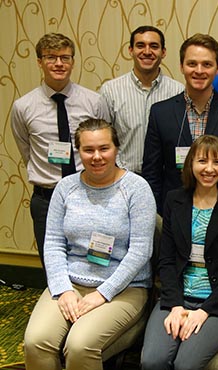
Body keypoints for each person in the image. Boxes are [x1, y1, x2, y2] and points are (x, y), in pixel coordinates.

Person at [23, 119, 156, 370]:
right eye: (88, 150)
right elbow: (52, 243)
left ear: (117, 148)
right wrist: (62, 289)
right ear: (79, 152)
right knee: (35, 341)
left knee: (79, 345)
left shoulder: (137, 189)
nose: (97, 157)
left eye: (104, 148)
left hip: (124, 289)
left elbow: (141, 250)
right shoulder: (65, 188)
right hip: (71, 283)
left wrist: (103, 293)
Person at [140, 135, 218, 370]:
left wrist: (204, 311)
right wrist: (175, 305)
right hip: (178, 297)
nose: (209, 169)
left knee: (186, 365)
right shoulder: (175, 200)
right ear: (190, 163)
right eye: (202, 161)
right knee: (152, 361)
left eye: (217, 162)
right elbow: (167, 261)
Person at [10, 33, 110, 269]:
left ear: (73, 62)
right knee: (52, 262)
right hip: (47, 198)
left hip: (88, 195)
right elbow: (27, 149)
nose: (58, 63)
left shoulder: (93, 102)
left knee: (94, 259)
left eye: (65, 57)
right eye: (51, 57)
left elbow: (104, 145)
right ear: (39, 62)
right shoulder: (23, 107)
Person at [142, 33, 218, 215]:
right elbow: (152, 174)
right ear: (181, 66)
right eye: (192, 63)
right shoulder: (160, 113)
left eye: (207, 64)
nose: (199, 70)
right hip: (173, 214)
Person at [100, 25, 183, 174]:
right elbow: (104, 138)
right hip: (123, 177)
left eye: (154, 46)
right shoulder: (110, 91)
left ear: (163, 52)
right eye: (140, 46)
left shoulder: (178, 91)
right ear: (130, 50)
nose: (147, 52)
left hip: (164, 180)